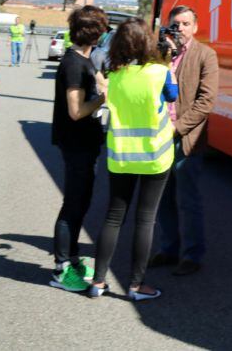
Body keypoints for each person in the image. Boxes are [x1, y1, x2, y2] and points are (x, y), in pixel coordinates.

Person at [88, 18, 178, 301]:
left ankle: (98, 282)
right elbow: (172, 96)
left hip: (121, 157)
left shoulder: (114, 77)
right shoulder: (158, 72)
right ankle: (137, 286)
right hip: (155, 156)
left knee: (113, 218)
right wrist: (167, 62)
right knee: (145, 220)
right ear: (146, 43)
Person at [148, 5, 218, 276]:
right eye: (176, 24)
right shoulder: (159, 54)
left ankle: (192, 255)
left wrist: (177, 128)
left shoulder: (205, 55)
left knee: (188, 199)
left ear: (195, 27)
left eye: (186, 24)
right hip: (158, 136)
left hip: (185, 139)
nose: (181, 29)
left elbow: (206, 101)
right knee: (162, 198)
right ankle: (168, 249)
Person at [49, 6, 109, 292]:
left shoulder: (84, 60)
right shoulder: (74, 64)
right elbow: (75, 111)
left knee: (82, 201)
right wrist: (102, 99)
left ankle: (72, 259)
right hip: (75, 143)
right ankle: (62, 269)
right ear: (94, 31)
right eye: (103, 27)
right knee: (73, 203)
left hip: (85, 143)